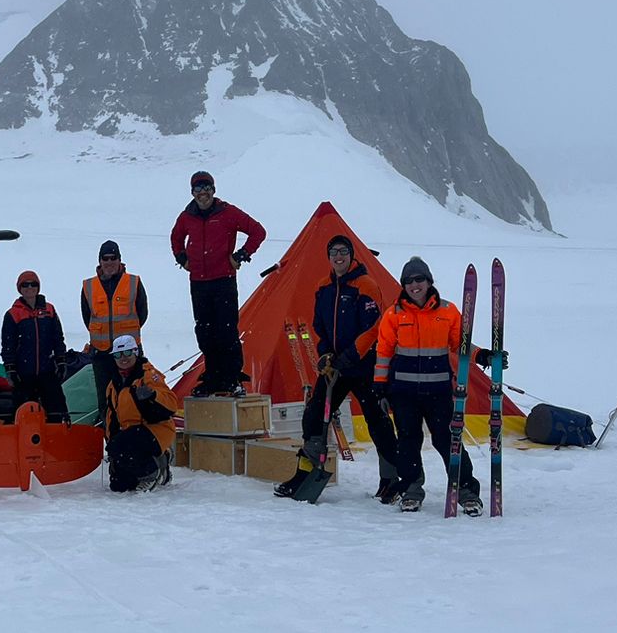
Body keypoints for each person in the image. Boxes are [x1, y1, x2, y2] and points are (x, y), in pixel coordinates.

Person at [275, 233, 402, 503]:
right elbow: (319, 327)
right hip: (336, 368)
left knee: (377, 421)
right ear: (328, 258)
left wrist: (349, 356)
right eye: (333, 253)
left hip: (365, 365)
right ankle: (307, 472)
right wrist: (324, 354)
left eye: (343, 251)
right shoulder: (323, 287)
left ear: (352, 254)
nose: (339, 257)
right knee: (314, 416)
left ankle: (392, 478)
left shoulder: (366, 285)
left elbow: (373, 328)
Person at [372, 256, 505, 513]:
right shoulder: (394, 315)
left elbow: (460, 344)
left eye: (419, 279)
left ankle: (466, 489)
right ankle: (411, 489)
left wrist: (483, 356)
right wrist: (379, 385)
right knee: (408, 441)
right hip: (404, 392)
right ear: (403, 286)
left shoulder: (447, 311)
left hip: (438, 391)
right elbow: (384, 351)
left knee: (448, 440)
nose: (414, 285)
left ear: (429, 281)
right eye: (408, 281)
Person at [168, 169, 265, 396]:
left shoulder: (227, 212)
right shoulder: (186, 216)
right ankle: (212, 377)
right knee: (204, 331)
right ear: (192, 192)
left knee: (227, 330)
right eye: (198, 189)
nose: (203, 193)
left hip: (223, 280)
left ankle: (232, 378)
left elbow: (258, 232)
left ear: (214, 190)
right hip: (199, 283)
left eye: (207, 188)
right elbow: (175, 237)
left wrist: (240, 255)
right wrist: (182, 259)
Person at [100, 334, 181, 492]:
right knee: (119, 484)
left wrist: (152, 396)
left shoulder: (149, 375)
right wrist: (111, 441)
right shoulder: (113, 384)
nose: (123, 358)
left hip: (156, 429)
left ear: (136, 353)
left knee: (124, 442)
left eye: (128, 353)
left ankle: (153, 471)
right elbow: (112, 416)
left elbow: (172, 405)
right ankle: (156, 465)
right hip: (130, 434)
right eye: (118, 354)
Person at [0, 269, 70, 421]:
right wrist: (10, 369)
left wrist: (61, 360)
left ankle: (58, 441)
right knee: (24, 415)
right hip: (24, 374)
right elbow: (8, 345)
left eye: (33, 284)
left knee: (57, 412)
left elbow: (58, 338)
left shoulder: (49, 310)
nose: (29, 288)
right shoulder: (13, 314)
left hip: (48, 371)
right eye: (25, 285)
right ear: (20, 288)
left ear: (38, 287)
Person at [79, 239, 148, 387]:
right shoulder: (88, 286)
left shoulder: (133, 282)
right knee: (105, 399)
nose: (109, 262)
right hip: (101, 353)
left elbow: (143, 313)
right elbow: (87, 317)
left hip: (129, 353)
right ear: (100, 261)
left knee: (133, 396)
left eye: (113, 258)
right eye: (105, 258)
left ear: (119, 260)